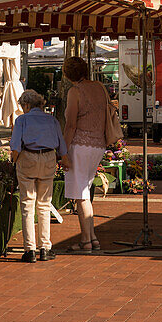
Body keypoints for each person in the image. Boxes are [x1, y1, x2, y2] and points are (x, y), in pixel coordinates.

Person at [10, 88, 69, 262]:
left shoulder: (22, 120)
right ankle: (45, 247)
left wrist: (13, 163)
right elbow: (62, 146)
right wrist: (65, 161)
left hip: (28, 158)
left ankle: (30, 250)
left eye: (22, 106)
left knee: (27, 204)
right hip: (49, 158)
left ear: (26, 105)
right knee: (44, 204)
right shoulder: (51, 120)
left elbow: (15, 147)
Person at [63, 54, 111, 252]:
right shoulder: (99, 87)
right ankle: (92, 237)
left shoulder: (75, 91)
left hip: (80, 144)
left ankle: (85, 240)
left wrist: (63, 150)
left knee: (80, 194)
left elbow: (71, 123)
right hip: (98, 144)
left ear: (67, 74)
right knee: (85, 189)